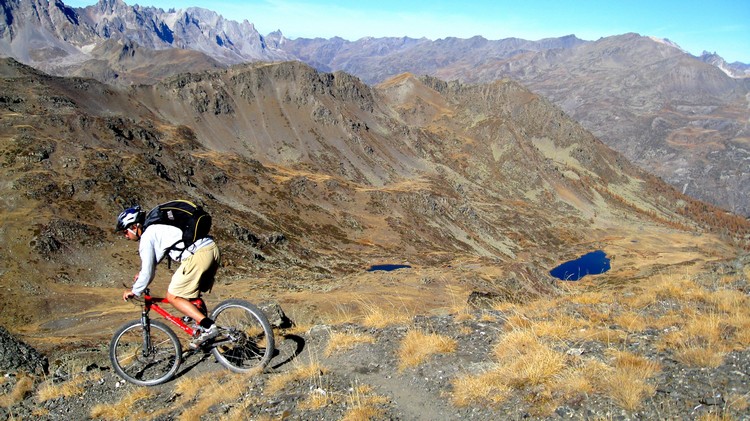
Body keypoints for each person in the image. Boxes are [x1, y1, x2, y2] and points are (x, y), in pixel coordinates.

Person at [116, 205, 222, 349]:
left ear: (134, 226)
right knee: (190, 295)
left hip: (198, 255)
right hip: (211, 250)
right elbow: (154, 260)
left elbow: (149, 272)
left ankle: (208, 327)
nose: (125, 236)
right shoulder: (157, 228)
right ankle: (202, 330)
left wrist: (135, 291)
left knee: (173, 296)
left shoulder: (147, 237)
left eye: (125, 231)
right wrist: (142, 273)